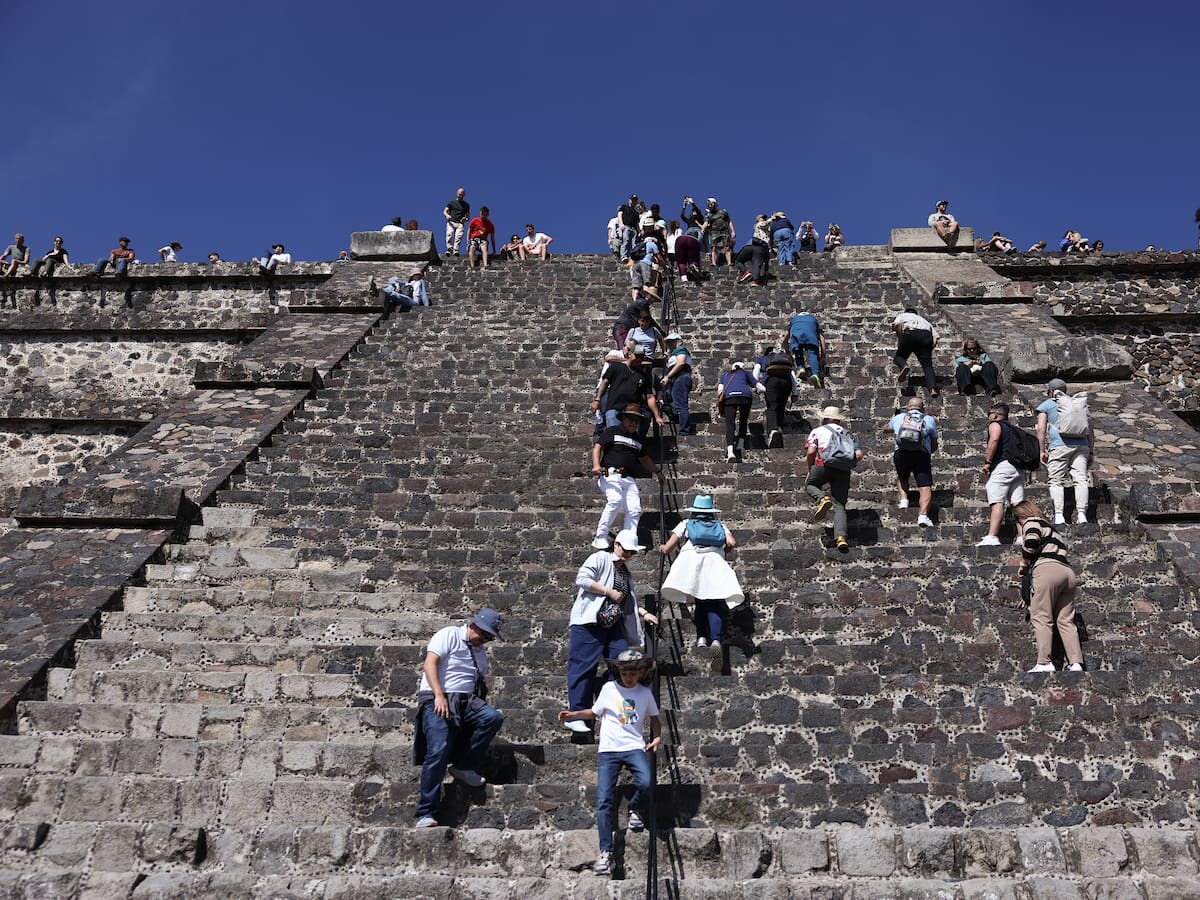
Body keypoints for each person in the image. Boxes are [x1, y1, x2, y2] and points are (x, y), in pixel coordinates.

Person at [558, 649, 661, 878]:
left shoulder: (645, 693)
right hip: (609, 750)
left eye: (634, 672)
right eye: (625, 672)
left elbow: (655, 718)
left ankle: (635, 807)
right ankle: (605, 852)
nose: (629, 676)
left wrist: (656, 737)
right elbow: (594, 713)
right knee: (604, 801)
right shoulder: (608, 689)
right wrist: (573, 715)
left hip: (634, 746)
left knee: (646, 782)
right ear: (618, 671)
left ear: (642, 672)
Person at [412, 608, 506, 828]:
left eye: (490, 638)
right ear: (476, 626)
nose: (487, 640)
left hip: (467, 701)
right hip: (440, 695)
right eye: (486, 635)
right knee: (438, 750)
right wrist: (438, 695)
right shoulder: (449, 634)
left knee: (492, 718)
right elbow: (430, 663)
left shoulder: (480, 651)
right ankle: (425, 812)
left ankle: (463, 765)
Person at [564, 534, 659, 730]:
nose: (628, 555)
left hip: (613, 623)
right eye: (626, 550)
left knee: (623, 662)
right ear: (616, 545)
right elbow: (582, 579)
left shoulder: (624, 571)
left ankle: (610, 702)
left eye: (632, 552)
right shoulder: (600, 558)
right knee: (583, 666)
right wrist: (607, 591)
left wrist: (644, 613)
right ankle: (576, 716)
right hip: (589, 622)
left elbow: (627, 600)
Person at [659, 495, 744, 669]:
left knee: (700, 601)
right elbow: (732, 542)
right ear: (711, 512)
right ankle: (716, 640)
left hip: (694, 564)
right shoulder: (720, 525)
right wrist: (722, 552)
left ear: (694, 511)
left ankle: (701, 638)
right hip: (714, 563)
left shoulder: (686, 524)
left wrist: (662, 548)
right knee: (713, 602)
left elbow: (669, 547)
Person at [1012, 500, 1084, 673]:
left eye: (1017, 520)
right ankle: (1075, 663)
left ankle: (1044, 662)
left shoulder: (1031, 522)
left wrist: (1024, 561)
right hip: (1066, 572)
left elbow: (1030, 544)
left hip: (1047, 570)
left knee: (1041, 617)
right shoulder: (1052, 529)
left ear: (1021, 516)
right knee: (1066, 620)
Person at [591, 405, 666, 549]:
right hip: (610, 475)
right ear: (623, 418)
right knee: (615, 500)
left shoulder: (638, 440)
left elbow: (644, 459)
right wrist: (596, 465)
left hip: (629, 479)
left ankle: (629, 541)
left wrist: (657, 472)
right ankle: (600, 536)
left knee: (634, 509)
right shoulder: (612, 431)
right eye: (631, 419)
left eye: (637, 421)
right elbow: (598, 447)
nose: (634, 423)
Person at [804, 406, 863, 553]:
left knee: (810, 484)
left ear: (824, 418)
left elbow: (811, 451)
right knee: (840, 505)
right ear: (839, 420)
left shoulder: (818, 431)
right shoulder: (848, 434)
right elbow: (859, 455)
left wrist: (809, 468)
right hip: (843, 469)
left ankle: (822, 499)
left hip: (823, 465)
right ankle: (841, 538)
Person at [1036, 378, 1093, 525]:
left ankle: (1059, 516)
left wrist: (1041, 450)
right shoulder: (1080, 404)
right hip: (1082, 445)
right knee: (1080, 479)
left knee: (1056, 481)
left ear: (1050, 392)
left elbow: (1041, 429)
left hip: (1059, 446)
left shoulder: (1047, 404)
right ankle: (1082, 515)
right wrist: (1091, 451)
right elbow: (1091, 430)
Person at [882, 397, 939, 527]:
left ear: (908, 407)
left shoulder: (899, 417)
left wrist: (893, 425)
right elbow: (934, 443)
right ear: (922, 408)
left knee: (902, 476)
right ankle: (923, 516)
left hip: (901, 453)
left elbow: (885, 429)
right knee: (925, 485)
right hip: (921, 453)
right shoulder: (928, 419)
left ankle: (903, 501)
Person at [977, 403, 1024, 546]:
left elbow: (995, 439)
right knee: (1018, 503)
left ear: (996, 414)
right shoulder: (1013, 429)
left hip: (1003, 467)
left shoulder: (995, 425)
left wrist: (987, 461)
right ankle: (1023, 536)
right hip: (1018, 468)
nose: (989, 416)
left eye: (989, 413)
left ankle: (992, 536)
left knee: (997, 501)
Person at [754, 345, 800, 449]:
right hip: (786, 382)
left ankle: (773, 431)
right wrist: (794, 392)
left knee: (772, 406)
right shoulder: (785, 360)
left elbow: (755, 372)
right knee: (781, 405)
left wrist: (756, 385)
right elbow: (792, 375)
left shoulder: (762, 359)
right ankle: (779, 427)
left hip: (772, 381)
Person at [716, 361, 761, 463]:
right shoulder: (745, 373)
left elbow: (720, 390)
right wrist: (766, 390)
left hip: (729, 397)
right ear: (742, 367)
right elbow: (757, 384)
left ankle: (731, 452)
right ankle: (740, 445)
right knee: (743, 420)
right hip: (745, 396)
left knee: (730, 424)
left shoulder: (725, 375)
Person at [891, 305, 939, 397]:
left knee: (899, 357)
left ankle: (904, 366)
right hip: (926, 337)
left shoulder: (902, 315)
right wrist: (927, 350)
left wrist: (901, 340)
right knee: (927, 366)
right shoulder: (925, 321)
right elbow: (935, 340)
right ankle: (932, 389)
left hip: (910, 334)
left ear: (906, 312)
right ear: (916, 313)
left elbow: (897, 325)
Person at [661, 332, 694, 436]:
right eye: (668, 343)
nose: (670, 344)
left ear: (678, 342)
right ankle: (678, 418)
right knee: (665, 400)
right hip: (675, 380)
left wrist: (667, 377)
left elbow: (681, 363)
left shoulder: (681, 349)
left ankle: (684, 431)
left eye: (672, 342)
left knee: (680, 405)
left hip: (681, 378)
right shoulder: (674, 353)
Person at [784, 311, 826, 389]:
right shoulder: (813, 320)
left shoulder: (794, 320)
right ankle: (815, 374)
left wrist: (787, 351)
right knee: (813, 354)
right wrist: (823, 355)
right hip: (811, 337)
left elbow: (786, 337)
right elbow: (822, 338)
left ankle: (801, 368)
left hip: (796, 336)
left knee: (797, 351)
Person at [701, 198, 735, 267]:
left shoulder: (723, 212)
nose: (710, 206)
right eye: (709, 205)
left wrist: (733, 231)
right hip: (714, 232)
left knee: (727, 247)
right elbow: (706, 222)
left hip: (724, 232)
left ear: (715, 204)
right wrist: (703, 228)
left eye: (711, 204)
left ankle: (729, 263)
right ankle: (714, 263)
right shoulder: (709, 215)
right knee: (714, 247)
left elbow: (729, 221)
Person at [444, 188, 469, 257]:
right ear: (457, 193)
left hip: (460, 223)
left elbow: (467, 216)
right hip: (451, 222)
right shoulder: (451, 202)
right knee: (449, 234)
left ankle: (456, 250)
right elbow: (445, 211)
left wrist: (465, 219)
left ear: (464, 195)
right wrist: (447, 215)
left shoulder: (466, 205)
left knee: (458, 237)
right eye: (459, 194)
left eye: (462, 194)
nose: (460, 195)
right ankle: (449, 249)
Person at [616, 195, 640, 262]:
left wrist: (639, 231)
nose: (633, 202)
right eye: (632, 200)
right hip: (626, 226)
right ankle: (624, 256)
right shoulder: (624, 207)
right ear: (629, 200)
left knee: (633, 244)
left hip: (634, 229)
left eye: (635, 200)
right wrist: (621, 224)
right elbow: (619, 214)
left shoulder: (636, 212)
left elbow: (637, 223)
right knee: (626, 241)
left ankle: (631, 258)